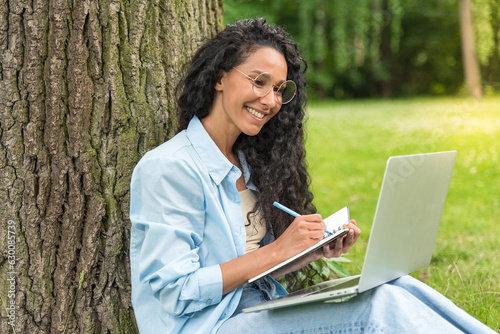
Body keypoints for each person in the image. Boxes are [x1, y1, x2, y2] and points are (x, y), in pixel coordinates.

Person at [129, 18, 496, 334]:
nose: (271, 100)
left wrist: (305, 252)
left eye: (278, 89)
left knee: (392, 285)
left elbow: (254, 267)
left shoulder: (245, 161)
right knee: (376, 307)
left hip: (253, 311)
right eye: (259, 82)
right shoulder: (169, 168)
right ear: (220, 78)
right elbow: (177, 291)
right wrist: (278, 250)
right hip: (210, 326)